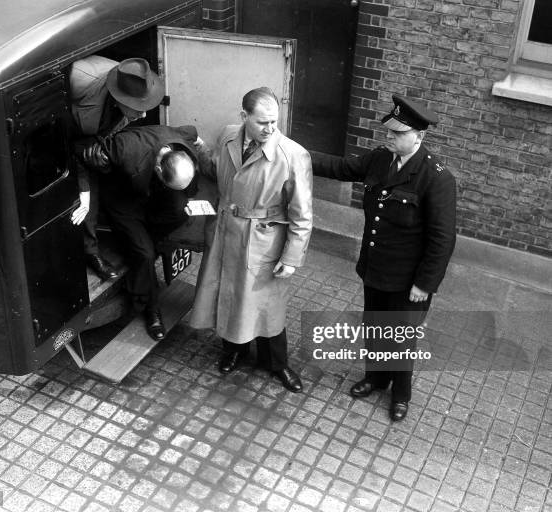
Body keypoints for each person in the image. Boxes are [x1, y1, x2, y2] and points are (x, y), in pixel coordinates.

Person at [310, 94, 456, 421]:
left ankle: (400, 394)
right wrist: (297, 155)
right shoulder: (380, 159)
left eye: (398, 134)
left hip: (408, 282)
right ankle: (376, 378)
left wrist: (425, 284)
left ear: (419, 136)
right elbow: (342, 167)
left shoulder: (436, 177)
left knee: (401, 340)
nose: (389, 138)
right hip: (376, 270)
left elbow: (442, 239)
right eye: (389, 132)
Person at [189, 87, 313, 393]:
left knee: (266, 305)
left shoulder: (292, 155)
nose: (270, 129)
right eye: (262, 122)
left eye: (274, 122)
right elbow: (214, 168)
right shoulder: (229, 136)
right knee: (229, 294)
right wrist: (194, 147)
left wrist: (291, 258)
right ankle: (234, 350)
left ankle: (278, 364)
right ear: (244, 117)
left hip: (263, 240)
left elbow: (302, 214)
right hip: (227, 231)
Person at [73, 123, 210, 341]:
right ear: (158, 170)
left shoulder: (183, 142)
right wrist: (85, 196)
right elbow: (79, 150)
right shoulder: (125, 148)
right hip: (124, 201)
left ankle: (143, 248)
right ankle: (151, 308)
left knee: (179, 211)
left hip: (152, 198)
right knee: (144, 254)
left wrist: (203, 151)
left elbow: (193, 131)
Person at [69, 55, 165, 280]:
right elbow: (72, 143)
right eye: (136, 107)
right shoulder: (78, 82)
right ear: (118, 98)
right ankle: (90, 252)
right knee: (87, 202)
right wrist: (84, 191)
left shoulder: (131, 78)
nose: (142, 114)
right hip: (70, 138)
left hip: (99, 137)